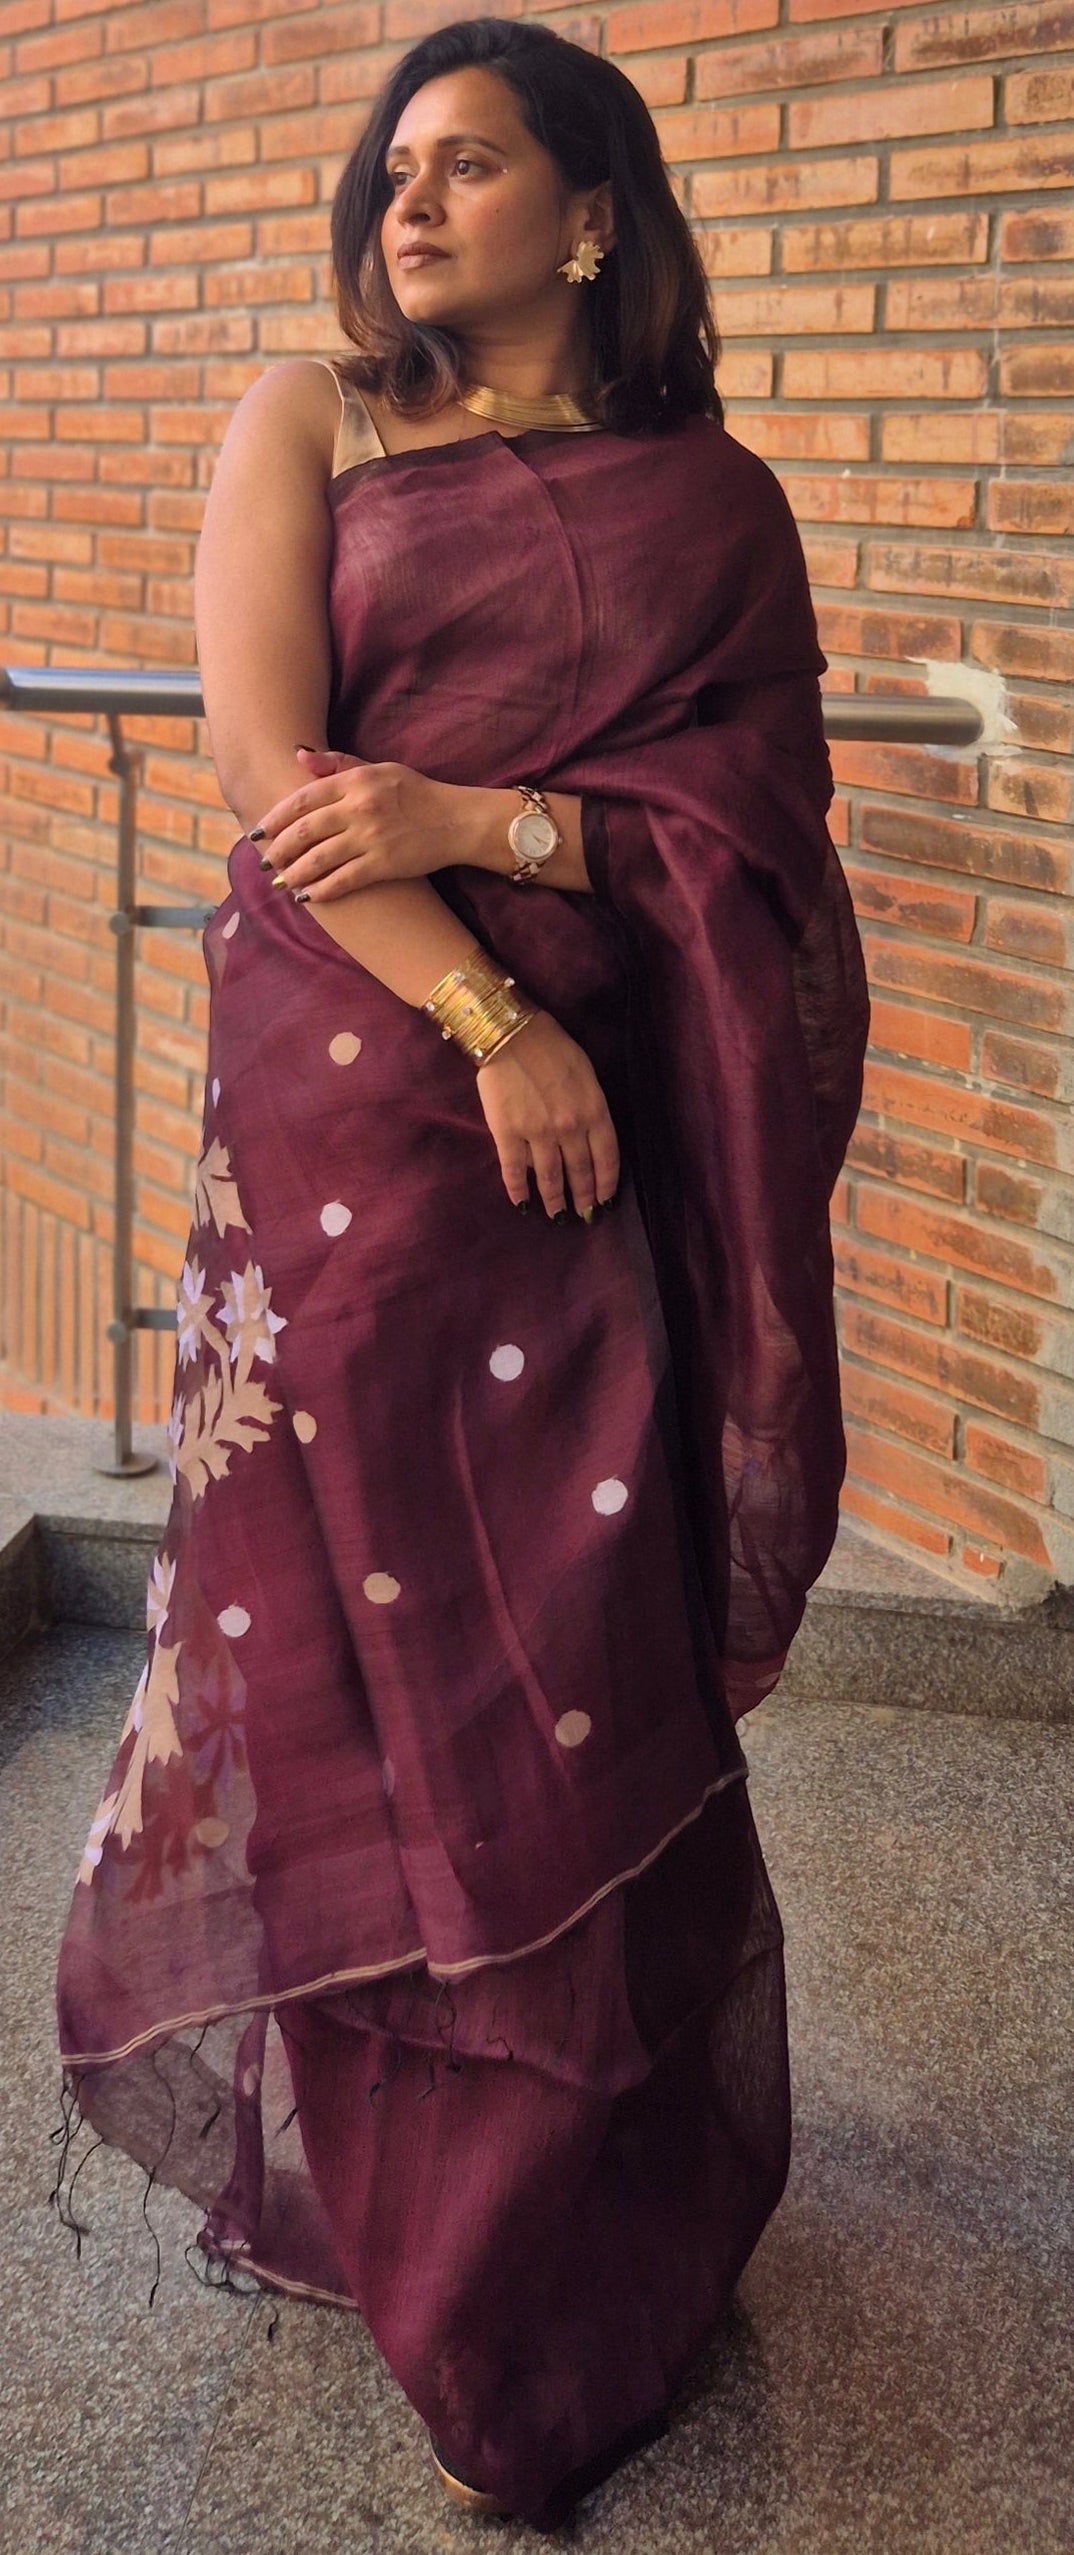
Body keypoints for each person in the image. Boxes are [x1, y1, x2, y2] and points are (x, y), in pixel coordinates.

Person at [55, 14, 869, 2531]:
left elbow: (752, 824)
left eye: (472, 164)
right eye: (391, 167)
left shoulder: (713, 505)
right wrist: (496, 1019)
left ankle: (577, 2225)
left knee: (576, 1642)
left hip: (607, 1123)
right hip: (364, 1119)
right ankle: (419, 2231)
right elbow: (268, 774)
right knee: (364, 1653)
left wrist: (495, 821)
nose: (405, 204)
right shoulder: (310, 418)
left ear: (594, 215)